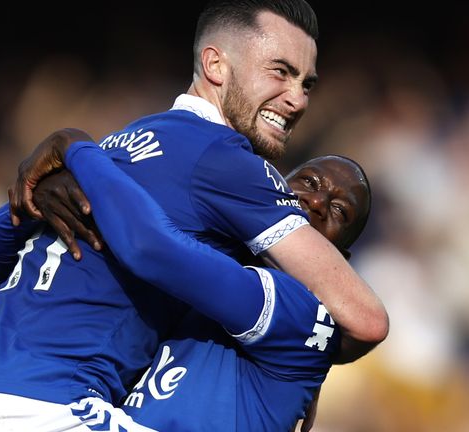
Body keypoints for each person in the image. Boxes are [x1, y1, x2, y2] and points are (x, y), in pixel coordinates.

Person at [0, 0, 387, 430]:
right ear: (216, 65)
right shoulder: (229, 162)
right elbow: (365, 319)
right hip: (38, 403)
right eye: (280, 72)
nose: (299, 98)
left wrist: (70, 157)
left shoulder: (122, 144)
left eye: (306, 83)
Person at [35, 141, 373, 431]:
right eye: (309, 182)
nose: (316, 203)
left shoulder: (299, 314)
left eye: (340, 212)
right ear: (275, 187)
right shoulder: (211, 266)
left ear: (340, 258)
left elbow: (151, 246)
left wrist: (76, 150)